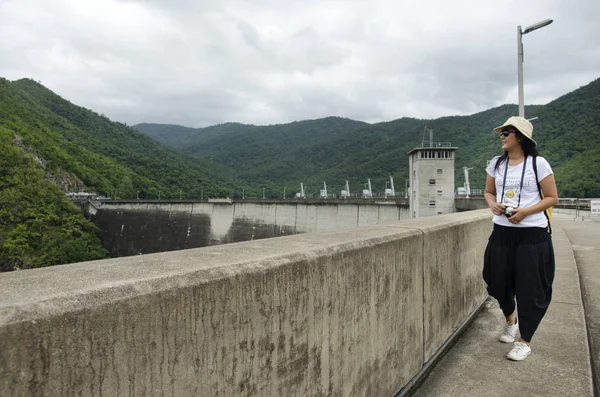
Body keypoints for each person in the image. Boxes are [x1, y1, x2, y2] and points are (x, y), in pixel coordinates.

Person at [483, 116, 558, 361]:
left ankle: (525, 341)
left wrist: (525, 212)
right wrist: (493, 205)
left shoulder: (539, 164)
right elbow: (489, 192)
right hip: (502, 233)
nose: (502, 136)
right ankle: (510, 321)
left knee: (530, 290)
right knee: (497, 282)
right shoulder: (496, 164)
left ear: (521, 137)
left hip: (532, 236)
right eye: (501, 132)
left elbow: (551, 197)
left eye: (507, 132)